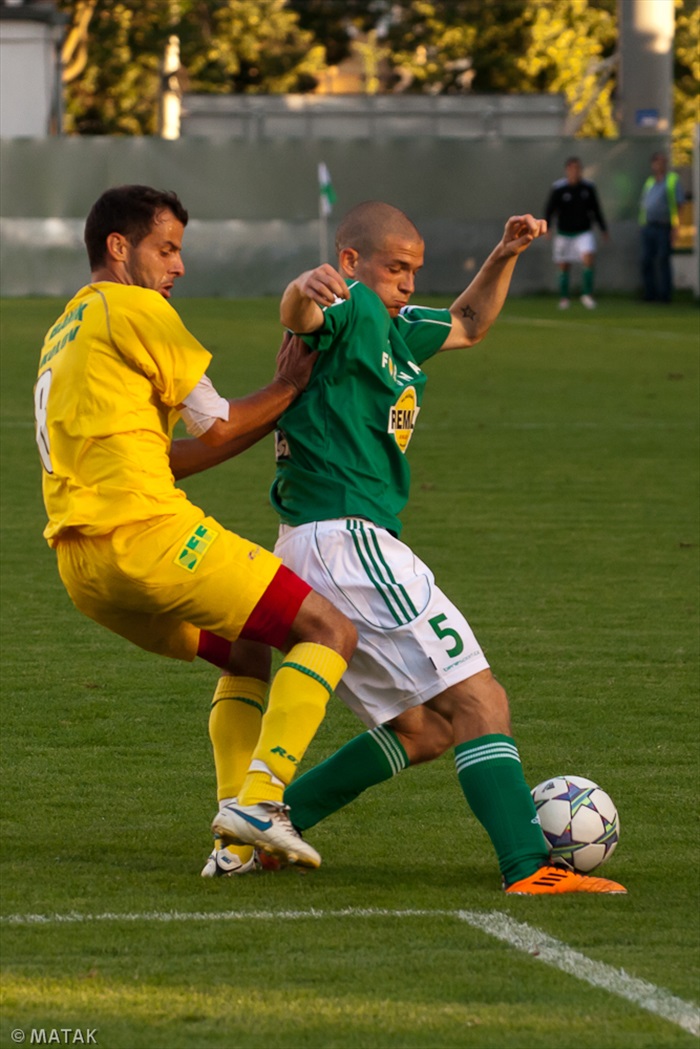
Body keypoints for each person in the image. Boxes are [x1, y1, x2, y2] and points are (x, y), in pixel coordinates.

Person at [206, 200, 627, 896]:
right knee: (480, 698)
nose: (406, 282)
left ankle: (263, 829)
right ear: (351, 264)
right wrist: (301, 290)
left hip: (324, 547)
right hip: (348, 540)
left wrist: (504, 253)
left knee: (424, 728)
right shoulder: (350, 310)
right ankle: (529, 866)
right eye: (395, 268)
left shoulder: (401, 327)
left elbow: (468, 323)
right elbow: (301, 319)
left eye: (414, 270)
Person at [34, 184, 357, 870]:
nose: (178, 265)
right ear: (119, 248)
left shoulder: (69, 325)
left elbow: (173, 455)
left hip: (84, 572)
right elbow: (216, 423)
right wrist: (291, 386)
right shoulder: (138, 307)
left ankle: (236, 845)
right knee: (330, 630)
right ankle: (261, 799)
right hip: (147, 539)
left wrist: (273, 406)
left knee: (247, 652)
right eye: (167, 248)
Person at [544, 156, 609, 310]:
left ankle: (586, 294)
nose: (575, 171)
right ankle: (564, 298)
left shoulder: (588, 187)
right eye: (572, 168)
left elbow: (596, 210)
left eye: (577, 168)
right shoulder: (559, 188)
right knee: (564, 265)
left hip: (583, 232)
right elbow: (549, 209)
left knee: (588, 258)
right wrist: (547, 227)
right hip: (564, 233)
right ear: (567, 170)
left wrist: (603, 229)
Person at [639, 151, 684, 303]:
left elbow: (679, 204)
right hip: (648, 226)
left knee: (663, 259)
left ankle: (665, 296)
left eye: (663, 162)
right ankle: (650, 294)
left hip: (664, 227)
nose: (660, 165)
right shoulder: (650, 182)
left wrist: (676, 227)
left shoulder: (672, 180)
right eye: (657, 162)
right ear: (653, 165)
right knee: (646, 260)